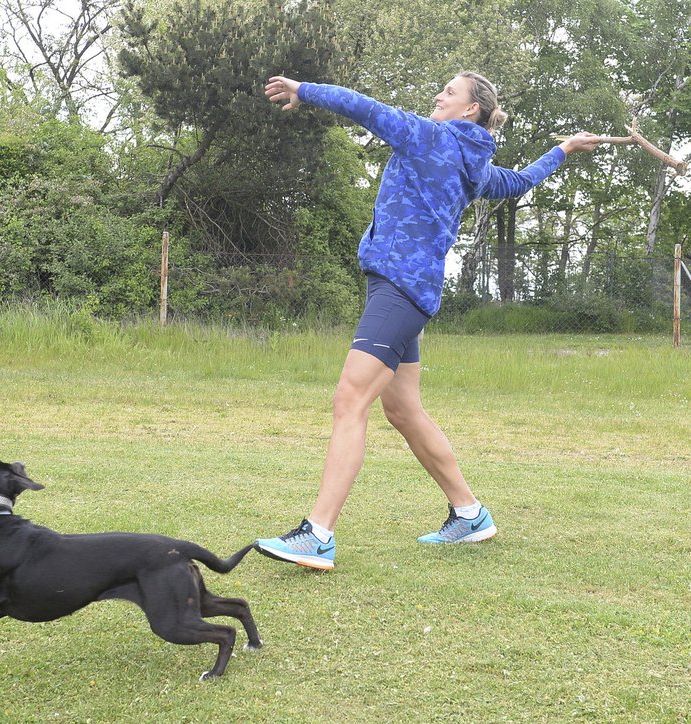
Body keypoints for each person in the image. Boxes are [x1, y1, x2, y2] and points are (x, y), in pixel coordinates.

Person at [254, 72, 601, 570]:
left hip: (398, 289)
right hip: (409, 292)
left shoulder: (429, 136)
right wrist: (564, 148)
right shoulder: (476, 166)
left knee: (350, 399)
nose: (440, 95)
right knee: (403, 410)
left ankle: (317, 535)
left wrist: (303, 90)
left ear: (470, 110)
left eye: (450, 91)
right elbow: (521, 181)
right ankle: (470, 514)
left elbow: (365, 107)